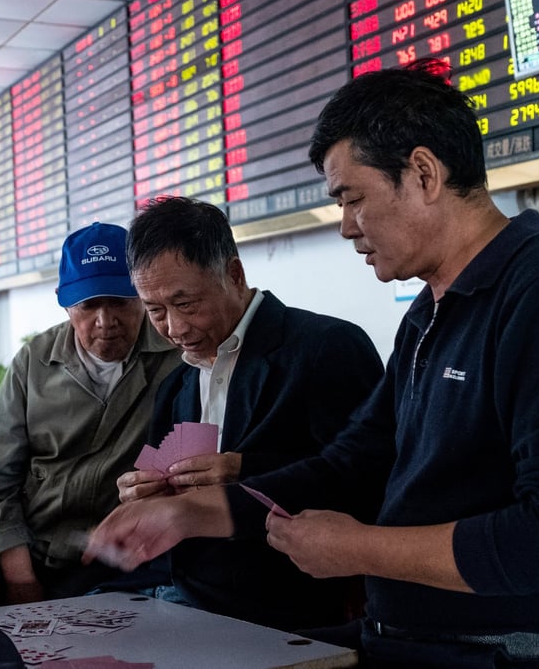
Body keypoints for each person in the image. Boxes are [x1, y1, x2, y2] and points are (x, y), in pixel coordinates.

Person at [85, 60, 539, 668]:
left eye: (353, 199)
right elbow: (354, 464)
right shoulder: (428, 316)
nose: (347, 227)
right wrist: (192, 512)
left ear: (423, 173)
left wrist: (362, 548)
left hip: (499, 651)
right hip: (399, 640)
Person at [103, 195, 384, 631]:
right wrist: (146, 496)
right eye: (155, 311)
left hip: (287, 611)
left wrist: (243, 471)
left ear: (234, 274)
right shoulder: (176, 385)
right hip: (181, 595)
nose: (174, 329)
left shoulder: (326, 348)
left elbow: (368, 482)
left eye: (186, 304)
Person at [0, 221, 182, 611]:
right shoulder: (34, 362)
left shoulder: (176, 360)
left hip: (116, 554)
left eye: (120, 301)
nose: (105, 322)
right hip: (29, 540)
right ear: (65, 302)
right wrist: (20, 578)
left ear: (142, 296)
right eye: (88, 306)